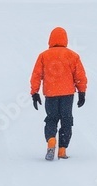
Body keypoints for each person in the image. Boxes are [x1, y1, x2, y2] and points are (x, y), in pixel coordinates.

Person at [30, 26, 87, 160]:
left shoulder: (43, 55)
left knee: (51, 119)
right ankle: (62, 150)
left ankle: (51, 141)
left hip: (50, 94)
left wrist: (34, 93)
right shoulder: (73, 55)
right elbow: (80, 75)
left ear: (50, 39)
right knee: (66, 120)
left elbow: (36, 75)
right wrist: (82, 92)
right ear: (65, 39)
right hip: (67, 94)